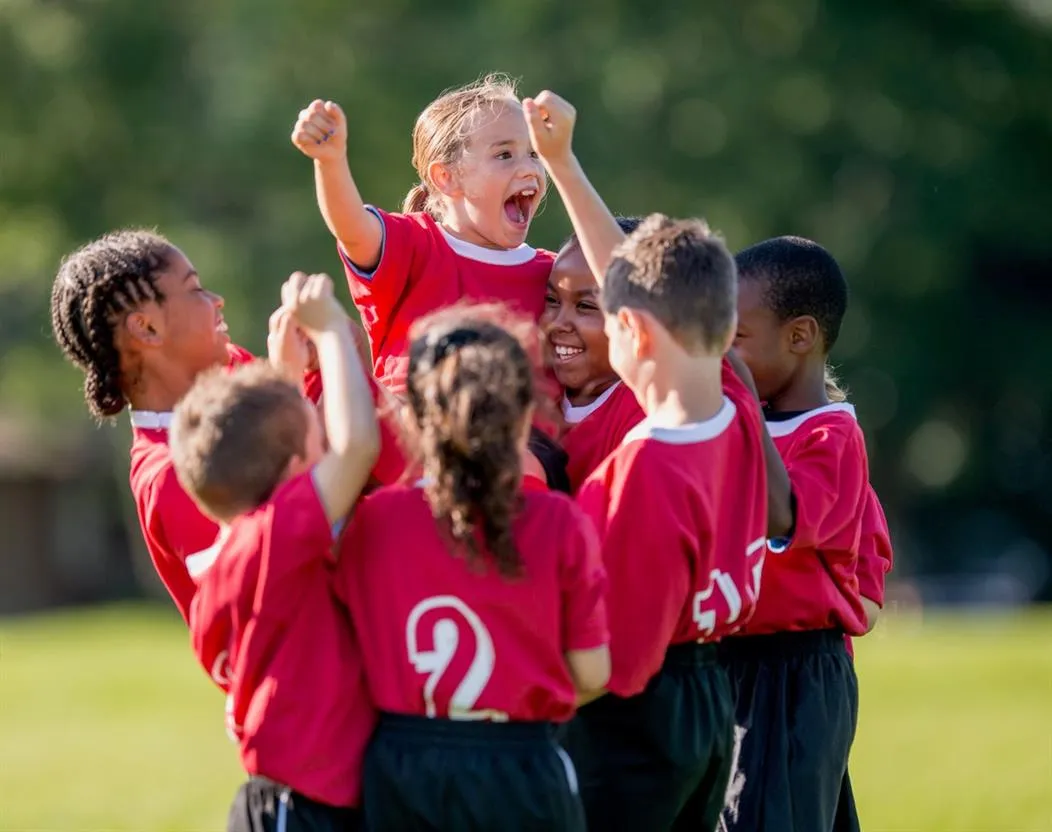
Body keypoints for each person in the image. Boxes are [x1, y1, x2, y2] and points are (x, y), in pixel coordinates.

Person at [525, 91, 792, 831]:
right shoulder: (734, 414)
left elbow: (615, 662)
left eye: (604, 317)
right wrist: (562, 163)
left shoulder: (641, 470)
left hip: (633, 718)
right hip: (711, 705)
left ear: (632, 333)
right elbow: (638, 282)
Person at [331, 308, 610, 832]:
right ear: (525, 413)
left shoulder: (375, 520)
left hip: (402, 766)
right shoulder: (559, 522)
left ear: (411, 418)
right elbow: (592, 671)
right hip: (523, 764)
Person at [169, 272, 379, 832]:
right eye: (316, 431)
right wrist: (334, 331)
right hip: (301, 808)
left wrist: (283, 374)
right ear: (292, 473)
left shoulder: (236, 550)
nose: (326, 438)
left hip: (295, 802)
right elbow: (359, 447)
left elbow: (267, 450)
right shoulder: (272, 539)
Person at [719, 235, 873, 832]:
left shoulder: (832, 435)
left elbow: (779, 514)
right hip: (728, 664)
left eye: (735, 339)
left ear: (800, 337)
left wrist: (736, 405)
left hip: (793, 671)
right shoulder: (740, 420)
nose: (722, 356)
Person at [292, 73, 554, 396]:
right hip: (415, 433)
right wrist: (330, 162)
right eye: (504, 155)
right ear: (446, 178)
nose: (529, 168)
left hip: (517, 441)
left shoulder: (557, 274)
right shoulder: (416, 243)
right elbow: (353, 229)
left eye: (534, 154)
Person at [49, 230, 251, 622]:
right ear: (146, 329)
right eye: (196, 290)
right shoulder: (173, 476)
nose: (216, 300)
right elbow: (273, 580)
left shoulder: (234, 370)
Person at [540, 218, 645, 492]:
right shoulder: (532, 388)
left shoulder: (645, 410)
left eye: (585, 306)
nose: (558, 322)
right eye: (551, 300)